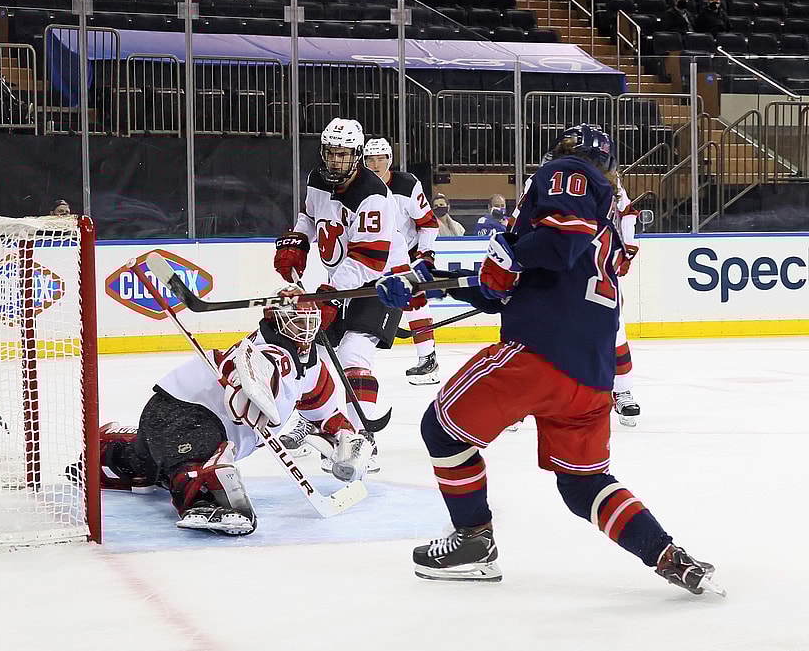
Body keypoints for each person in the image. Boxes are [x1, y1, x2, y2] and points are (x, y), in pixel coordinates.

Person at [374, 124, 723, 597]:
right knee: (582, 485)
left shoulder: (570, 174)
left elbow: (556, 247)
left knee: (441, 430)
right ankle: (667, 555)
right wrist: (427, 281)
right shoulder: (605, 216)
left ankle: (474, 541)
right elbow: (506, 288)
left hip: (538, 354)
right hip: (591, 378)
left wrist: (508, 257)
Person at [73, 299, 371, 535]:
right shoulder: (262, 349)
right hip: (182, 415)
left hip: (170, 425)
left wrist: (345, 439)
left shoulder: (311, 367)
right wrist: (242, 388)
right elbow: (239, 363)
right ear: (276, 321)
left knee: (148, 465)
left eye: (309, 322)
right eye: (296, 322)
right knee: (208, 474)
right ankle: (205, 498)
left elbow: (325, 411)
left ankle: (109, 453)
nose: (304, 330)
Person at [273, 118, 408, 468]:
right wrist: (297, 241)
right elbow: (309, 216)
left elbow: (368, 259)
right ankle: (316, 419)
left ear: (357, 155)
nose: (336, 161)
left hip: (384, 282)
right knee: (310, 349)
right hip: (344, 281)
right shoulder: (317, 180)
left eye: (343, 154)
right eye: (331, 153)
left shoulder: (373, 195)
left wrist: (330, 294)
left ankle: (362, 439)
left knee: (353, 353)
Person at [363, 137, 441, 386]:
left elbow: (428, 224)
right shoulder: (358, 187)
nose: (375, 164)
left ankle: (428, 359)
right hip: (369, 256)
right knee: (358, 308)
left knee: (413, 300)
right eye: (370, 159)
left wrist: (424, 254)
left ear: (390, 160)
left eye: (380, 159)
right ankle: (354, 363)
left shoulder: (406, 185)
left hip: (404, 254)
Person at [610, 175, 641, 427]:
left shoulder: (608, 176)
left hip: (601, 265)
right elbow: (520, 218)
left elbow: (627, 212)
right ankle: (523, 399)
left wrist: (627, 249)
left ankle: (622, 390)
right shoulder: (542, 179)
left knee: (616, 330)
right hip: (557, 264)